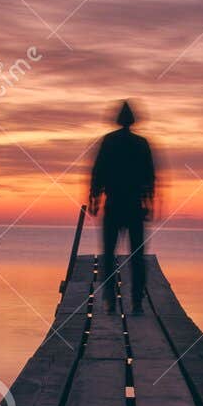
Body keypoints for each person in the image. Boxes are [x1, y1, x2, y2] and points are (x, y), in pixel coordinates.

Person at [87, 100, 157, 314]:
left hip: (115, 204)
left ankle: (110, 301)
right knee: (137, 256)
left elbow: (98, 172)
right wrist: (149, 202)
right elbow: (150, 176)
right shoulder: (141, 144)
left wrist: (95, 198)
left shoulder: (109, 141)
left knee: (109, 254)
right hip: (134, 205)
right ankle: (136, 302)